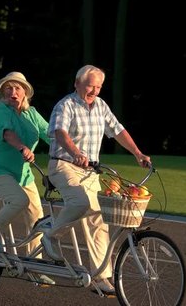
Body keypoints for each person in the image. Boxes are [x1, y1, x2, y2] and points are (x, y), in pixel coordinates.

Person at [42, 65, 151, 294]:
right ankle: (50, 236)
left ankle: (101, 278)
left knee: (98, 219)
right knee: (80, 203)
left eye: (99, 86)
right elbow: (60, 133)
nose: (94, 90)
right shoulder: (65, 105)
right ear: (77, 83)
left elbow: (118, 130)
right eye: (91, 85)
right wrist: (76, 153)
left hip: (90, 171)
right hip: (63, 165)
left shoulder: (101, 106)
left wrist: (138, 153)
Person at [0, 71, 55, 285]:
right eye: (8, 89)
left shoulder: (31, 113)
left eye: (17, 88)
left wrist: (71, 150)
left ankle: (34, 265)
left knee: (37, 217)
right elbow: (7, 134)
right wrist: (22, 147)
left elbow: (49, 133)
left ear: (25, 92)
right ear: (3, 93)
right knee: (19, 201)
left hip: (23, 173)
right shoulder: (1, 111)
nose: (13, 92)